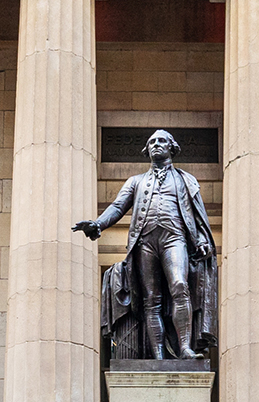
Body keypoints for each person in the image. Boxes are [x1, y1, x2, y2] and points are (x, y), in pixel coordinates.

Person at [73, 129, 217, 361]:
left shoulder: (186, 180)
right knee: (152, 300)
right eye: (152, 142)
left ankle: (184, 349)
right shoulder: (136, 181)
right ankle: (158, 357)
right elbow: (118, 207)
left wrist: (200, 239)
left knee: (180, 286)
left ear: (172, 147)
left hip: (175, 238)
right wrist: (98, 224)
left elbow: (197, 215)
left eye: (161, 141)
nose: (156, 145)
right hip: (144, 242)